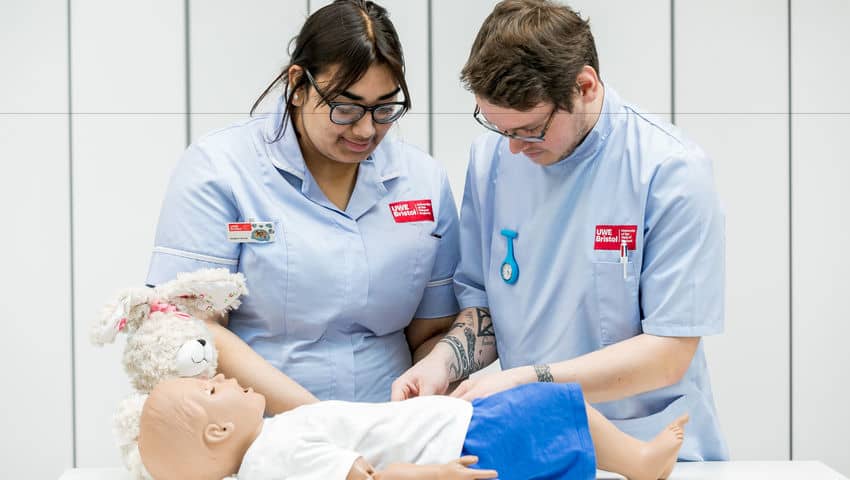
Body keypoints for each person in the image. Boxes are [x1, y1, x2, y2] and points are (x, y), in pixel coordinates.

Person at [392, 0, 727, 461]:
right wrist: (441, 363)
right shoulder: (492, 160)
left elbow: (668, 353)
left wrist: (529, 380)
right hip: (541, 443)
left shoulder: (669, 172)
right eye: (495, 125)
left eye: (530, 129)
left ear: (584, 86)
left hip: (648, 442)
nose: (511, 147)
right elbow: (484, 307)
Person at [146, 0, 460, 411]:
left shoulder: (422, 181)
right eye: (345, 107)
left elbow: (432, 332)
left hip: (388, 427)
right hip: (260, 430)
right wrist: (318, 422)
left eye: (385, 108)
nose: (366, 129)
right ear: (298, 85)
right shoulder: (221, 170)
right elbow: (191, 324)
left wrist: (422, 416)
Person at [138, 374, 688, 480]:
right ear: (216, 434)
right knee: (555, 407)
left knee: (554, 422)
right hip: (460, 446)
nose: (224, 381)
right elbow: (367, 479)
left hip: (456, 435)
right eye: (213, 391)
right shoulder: (279, 450)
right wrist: (431, 475)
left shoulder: (272, 443)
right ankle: (638, 463)